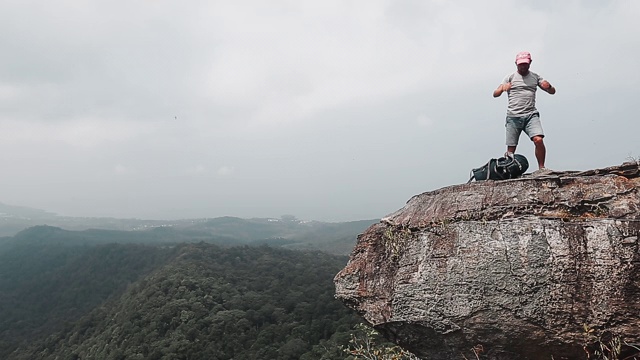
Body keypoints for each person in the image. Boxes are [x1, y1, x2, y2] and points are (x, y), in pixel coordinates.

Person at [493, 51, 555, 173]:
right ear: (516, 64)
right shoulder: (510, 77)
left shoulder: (535, 77)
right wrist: (502, 89)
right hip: (513, 116)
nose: (523, 67)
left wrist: (549, 87)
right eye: (520, 64)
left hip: (531, 115)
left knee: (538, 139)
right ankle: (508, 170)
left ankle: (542, 168)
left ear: (530, 63)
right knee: (511, 149)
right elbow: (495, 94)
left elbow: (552, 91)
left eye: (525, 64)